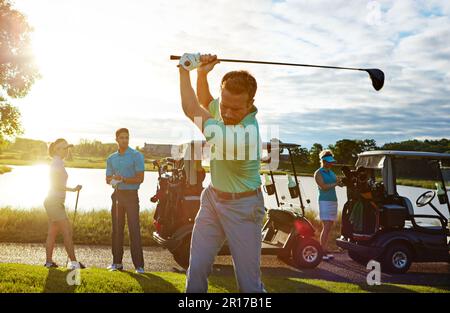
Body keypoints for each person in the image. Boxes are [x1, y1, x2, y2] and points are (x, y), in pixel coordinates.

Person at [177, 53, 266, 293]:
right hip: (213, 200)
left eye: (235, 109)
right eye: (224, 105)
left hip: (244, 208)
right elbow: (206, 102)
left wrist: (184, 70)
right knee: (195, 269)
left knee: (249, 285)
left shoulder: (243, 136)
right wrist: (202, 74)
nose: (226, 113)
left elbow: (191, 108)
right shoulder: (224, 109)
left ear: (250, 104)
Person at [105, 128, 145, 274]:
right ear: (116, 139)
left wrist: (124, 179)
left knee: (134, 230)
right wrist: (113, 180)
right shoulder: (111, 158)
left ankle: (139, 266)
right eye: (121, 138)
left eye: (126, 137)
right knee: (117, 230)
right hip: (117, 195)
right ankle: (117, 263)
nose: (124, 140)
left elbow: (140, 178)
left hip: (131, 196)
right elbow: (107, 179)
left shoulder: (136, 155)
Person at [43, 138, 85, 270]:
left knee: (53, 232)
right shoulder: (56, 163)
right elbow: (56, 185)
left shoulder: (58, 162)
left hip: (53, 201)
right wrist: (73, 189)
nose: (67, 150)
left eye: (67, 148)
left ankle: (49, 262)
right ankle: (74, 263)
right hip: (54, 202)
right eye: (64, 148)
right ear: (56, 149)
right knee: (67, 231)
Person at [314, 150, 343, 260]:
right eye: (329, 162)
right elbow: (324, 187)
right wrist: (336, 183)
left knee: (329, 227)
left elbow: (338, 183)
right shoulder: (318, 173)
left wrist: (342, 182)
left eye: (332, 162)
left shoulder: (331, 172)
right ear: (324, 161)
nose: (331, 164)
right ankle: (321, 252)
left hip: (333, 201)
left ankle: (324, 250)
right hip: (324, 202)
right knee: (326, 227)